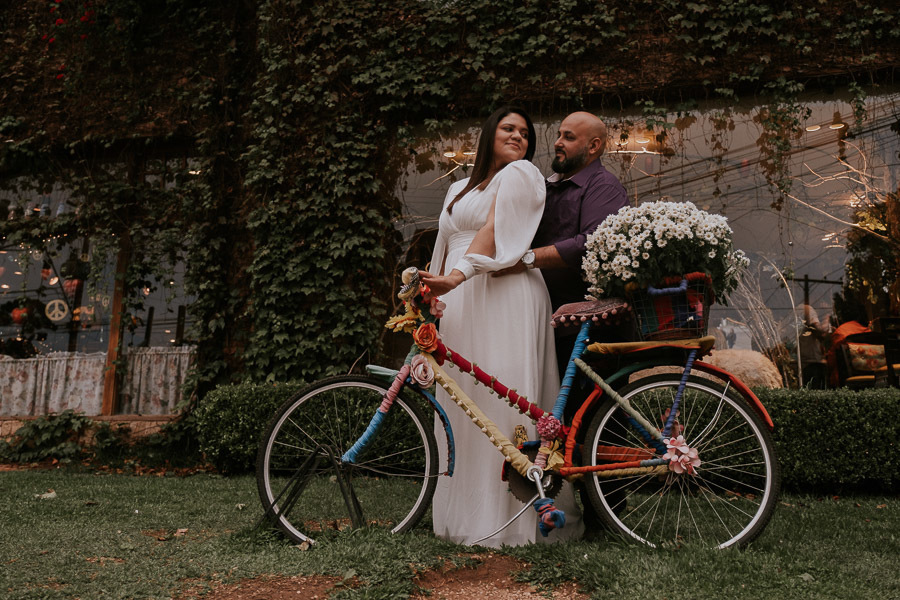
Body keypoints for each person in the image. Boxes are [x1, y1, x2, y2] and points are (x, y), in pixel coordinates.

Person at [419, 106, 583, 547]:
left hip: (503, 290)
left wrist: (457, 276)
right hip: (459, 297)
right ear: (489, 133)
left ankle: (516, 518)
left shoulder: (522, 175)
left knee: (505, 394)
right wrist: (432, 293)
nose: (518, 137)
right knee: (461, 398)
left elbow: (493, 231)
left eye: (525, 133)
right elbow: (443, 244)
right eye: (509, 129)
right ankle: (463, 514)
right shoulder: (457, 188)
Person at [493, 111, 628, 377]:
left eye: (568, 137)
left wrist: (526, 259)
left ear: (593, 146)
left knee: (591, 403)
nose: (557, 142)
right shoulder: (545, 187)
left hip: (589, 329)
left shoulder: (604, 186)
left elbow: (590, 243)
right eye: (558, 135)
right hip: (547, 324)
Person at [797, 303, 831, 388]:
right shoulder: (808, 310)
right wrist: (827, 319)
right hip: (812, 363)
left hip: (804, 361)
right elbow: (820, 332)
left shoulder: (797, 310)